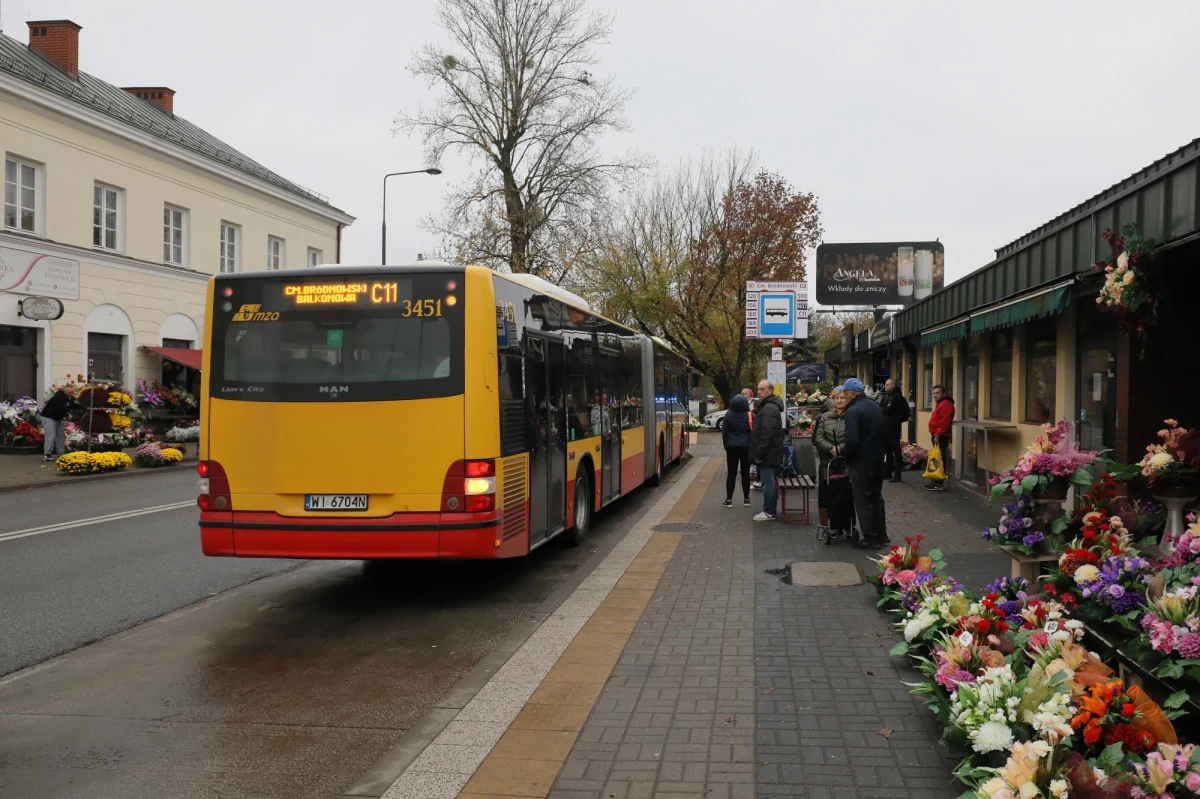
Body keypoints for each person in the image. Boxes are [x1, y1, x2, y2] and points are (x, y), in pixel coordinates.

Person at [839, 378, 888, 550]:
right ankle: (882, 535)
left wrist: (848, 458)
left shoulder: (853, 411)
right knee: (876, 498)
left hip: (861, 463)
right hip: (877, 461)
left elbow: (851, 439)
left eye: (845, 393)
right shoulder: (875, 406)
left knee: (863, 501)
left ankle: (871, 538)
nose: (843, 396)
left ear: (853, 393)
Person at [814, 389, 856, 538]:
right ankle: (831, 524)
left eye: (842, 398)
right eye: (836, 398)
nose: (839, 401)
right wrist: (829, 448)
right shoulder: (825, 417)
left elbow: (853, 436)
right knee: (828, 494)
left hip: (845, 462)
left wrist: (840, 448)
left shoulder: (851, 416)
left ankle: (846, 524)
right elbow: (818, 437)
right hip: (827, 462)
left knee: (846, 494)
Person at [750, 379, 786, 521]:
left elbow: (767, 434)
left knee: (768, 483)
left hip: (768, 453)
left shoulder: (769, 408)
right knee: (768, 482)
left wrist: (759, 454)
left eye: (762, 389)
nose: (759, 392)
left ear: (770, 391)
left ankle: (769, 511)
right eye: (758, 389)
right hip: (772, 452)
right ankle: (769, 510)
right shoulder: (769, 406)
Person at [721, 393, 754, 508]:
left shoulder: (728, 415)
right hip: (746, 447)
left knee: (731, 473)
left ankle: (729, 500)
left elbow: (724, 433)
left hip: (731, 447)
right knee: (745, 473)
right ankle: (746, 499)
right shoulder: (750, 415)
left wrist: (726, 446)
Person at [39, 384, 80, 461]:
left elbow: (72, 405)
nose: (70, 394)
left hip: (57, 418)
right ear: (64, 390)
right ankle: (47, 454)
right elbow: (59, 410)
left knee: (61, 436)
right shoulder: (59, 398)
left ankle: (61, 453)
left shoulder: (68, 397)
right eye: (69, 392)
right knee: (51, 435)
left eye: (72, 392)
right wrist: (67, 415)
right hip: (48, 417)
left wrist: (82, 407)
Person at [927, 385, 956, 491]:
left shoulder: (946, 404)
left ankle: (939, 483)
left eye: (937, 393)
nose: (935, 395)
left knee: (940, 458)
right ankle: (936, 480)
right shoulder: (941, 403)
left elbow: (944, 422)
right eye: (934, 393)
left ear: (943, 394)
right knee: (938, 458)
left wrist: (938, 435)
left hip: (940, 436)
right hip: (937, 435)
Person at [880, 378, 910, 483]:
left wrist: (885, 409)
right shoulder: (886, 396)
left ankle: (897, 474)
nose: (885, 386)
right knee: (887, 450)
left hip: (893, 427)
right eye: (885, 384)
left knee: (895, 450)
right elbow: (882, 408)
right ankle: (888, 472)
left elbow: (887, 409)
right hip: (886, 426)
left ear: (893, 386)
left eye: (888, 385)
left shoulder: (896, 397)